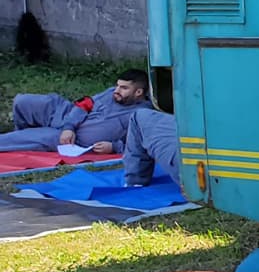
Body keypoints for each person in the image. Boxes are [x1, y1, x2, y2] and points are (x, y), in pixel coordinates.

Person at [0, 67, 151, 154]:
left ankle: (20, 138)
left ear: (138, 92)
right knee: (23, 101)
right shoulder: (113, 92)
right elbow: (85, 103)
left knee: (25, 138)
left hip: (72, 141)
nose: (117, 90)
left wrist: (115, 147)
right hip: (66, 115)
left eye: (124, 88)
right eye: (117, 85)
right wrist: (68, 126)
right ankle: (20, 133)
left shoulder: (144, 114)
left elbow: (143, 146)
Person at [121, 106, 179, 187]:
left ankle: (135, 182)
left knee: (139, 116)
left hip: (192, 171)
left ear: (138, 92)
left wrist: (115, 146)